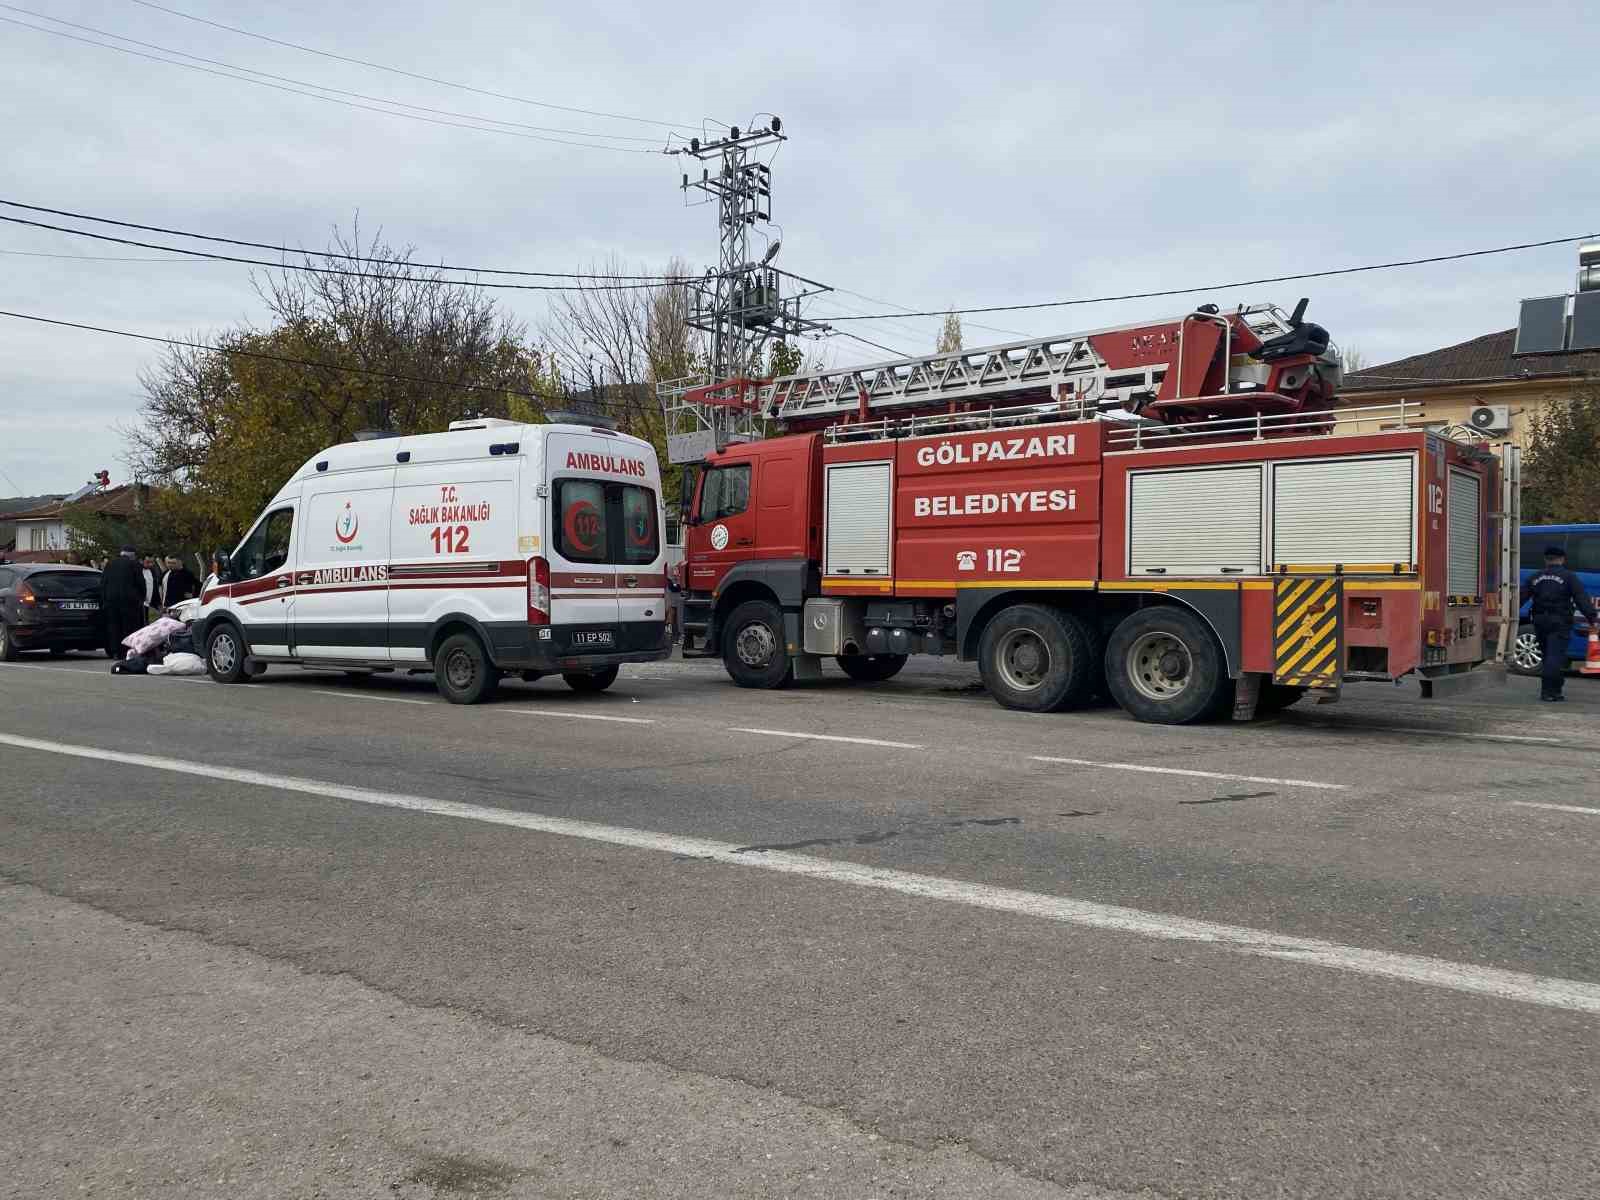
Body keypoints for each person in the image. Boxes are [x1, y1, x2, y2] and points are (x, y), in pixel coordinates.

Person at [1519, 544, 1597, 702]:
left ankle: (1554, 690)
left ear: (1545, 559)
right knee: (1555, 656)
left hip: (1540, 621)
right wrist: (1592, 619)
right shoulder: (1569, 577)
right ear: (1562, 559)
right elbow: (1581, 599)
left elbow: (1521, 598)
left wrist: (1508, 616)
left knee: (1548, 655)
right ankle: (1549, 692)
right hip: (1559, 621)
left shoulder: (1535, 576)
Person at [101, 545, 146, 660]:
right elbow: (140, 583)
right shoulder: (134, 564)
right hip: (130, 602)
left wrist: (105, 599)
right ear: (133, 555)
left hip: (111, 602)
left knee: (114, 626)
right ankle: (127, 651)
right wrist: (141, 598)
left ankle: (115, 651)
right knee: (129, 627)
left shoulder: (110, 564)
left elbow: (103, 583)